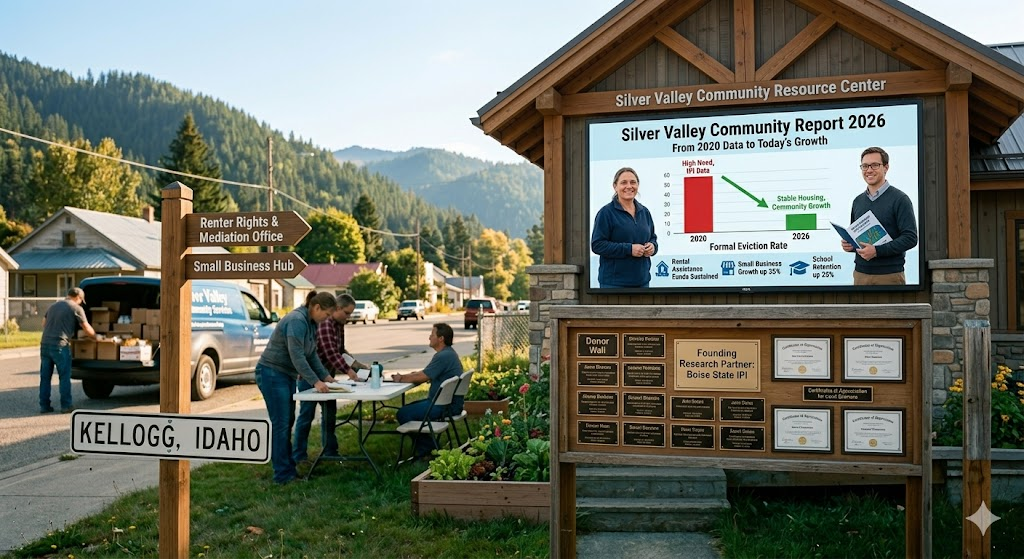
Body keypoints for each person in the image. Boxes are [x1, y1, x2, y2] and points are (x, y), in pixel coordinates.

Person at [254, 291, 338, 485]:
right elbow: (297, 355)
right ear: (316, 307)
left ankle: (288, 468)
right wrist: (315, 381)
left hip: (286, 375)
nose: (327, 320)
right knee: (281, 423)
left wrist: (326, 376)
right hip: (272, 373)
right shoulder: (297, 321)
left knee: (287, 421)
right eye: (326, 314)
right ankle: (283, 475)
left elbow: (312, 354)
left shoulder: (311, 323)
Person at [293, 293, 368, 463]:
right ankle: (299, 456)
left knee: (329, 414)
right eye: (347, 313)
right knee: (306, 416)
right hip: (310, 377)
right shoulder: (326, 324)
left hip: (328, 377)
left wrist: (358, 366)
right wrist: (350, 372)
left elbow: (341, 350)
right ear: (337, 309)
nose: (348, 317)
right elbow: (331, 353)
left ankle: (330, 450)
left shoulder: (339, 325)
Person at [841, 147, 918, 285]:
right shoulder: (858, 201)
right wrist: (850, 245)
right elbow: (858, 237)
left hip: (889, 276)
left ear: (886, 167)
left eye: (875, 165)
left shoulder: (900, 199)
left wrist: (877, 251)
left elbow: (910, 238)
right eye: (865, 166)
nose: (869, 170)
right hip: (860, 275)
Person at [393, 322, 464, 458]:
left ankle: (429, 450)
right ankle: (429, 448)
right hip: (449, 403)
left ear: (441, 338)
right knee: (408, 408)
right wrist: (411, 376)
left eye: (432, 334)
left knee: (403, 413)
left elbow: (423, 376)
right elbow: (426, 373)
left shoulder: (443, 356)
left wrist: (401, 378)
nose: (429, 337)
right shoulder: (449, 354)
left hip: (444, 406)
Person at [590, 167, 658, 288]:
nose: (629, 186)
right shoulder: (606, 213)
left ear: (638, 185)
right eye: (623, 182)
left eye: (633, 182)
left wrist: (653, 247)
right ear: (615, 186)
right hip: (614, 285)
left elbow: (653, 237)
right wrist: (629, 249)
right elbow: (597, 245)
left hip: (642, 283)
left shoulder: (644, 212)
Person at [39, 287, 98, 413]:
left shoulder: (53, 306)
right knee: (64, 376)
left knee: (45, 377)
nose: (81, 303)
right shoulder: (76, 308)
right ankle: (66, 405)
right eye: (81, 301)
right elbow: (86, 327)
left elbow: (43, 323)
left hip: (45, 344)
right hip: (60, 345)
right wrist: (96, 337)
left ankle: (44, 406)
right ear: (78, 298)